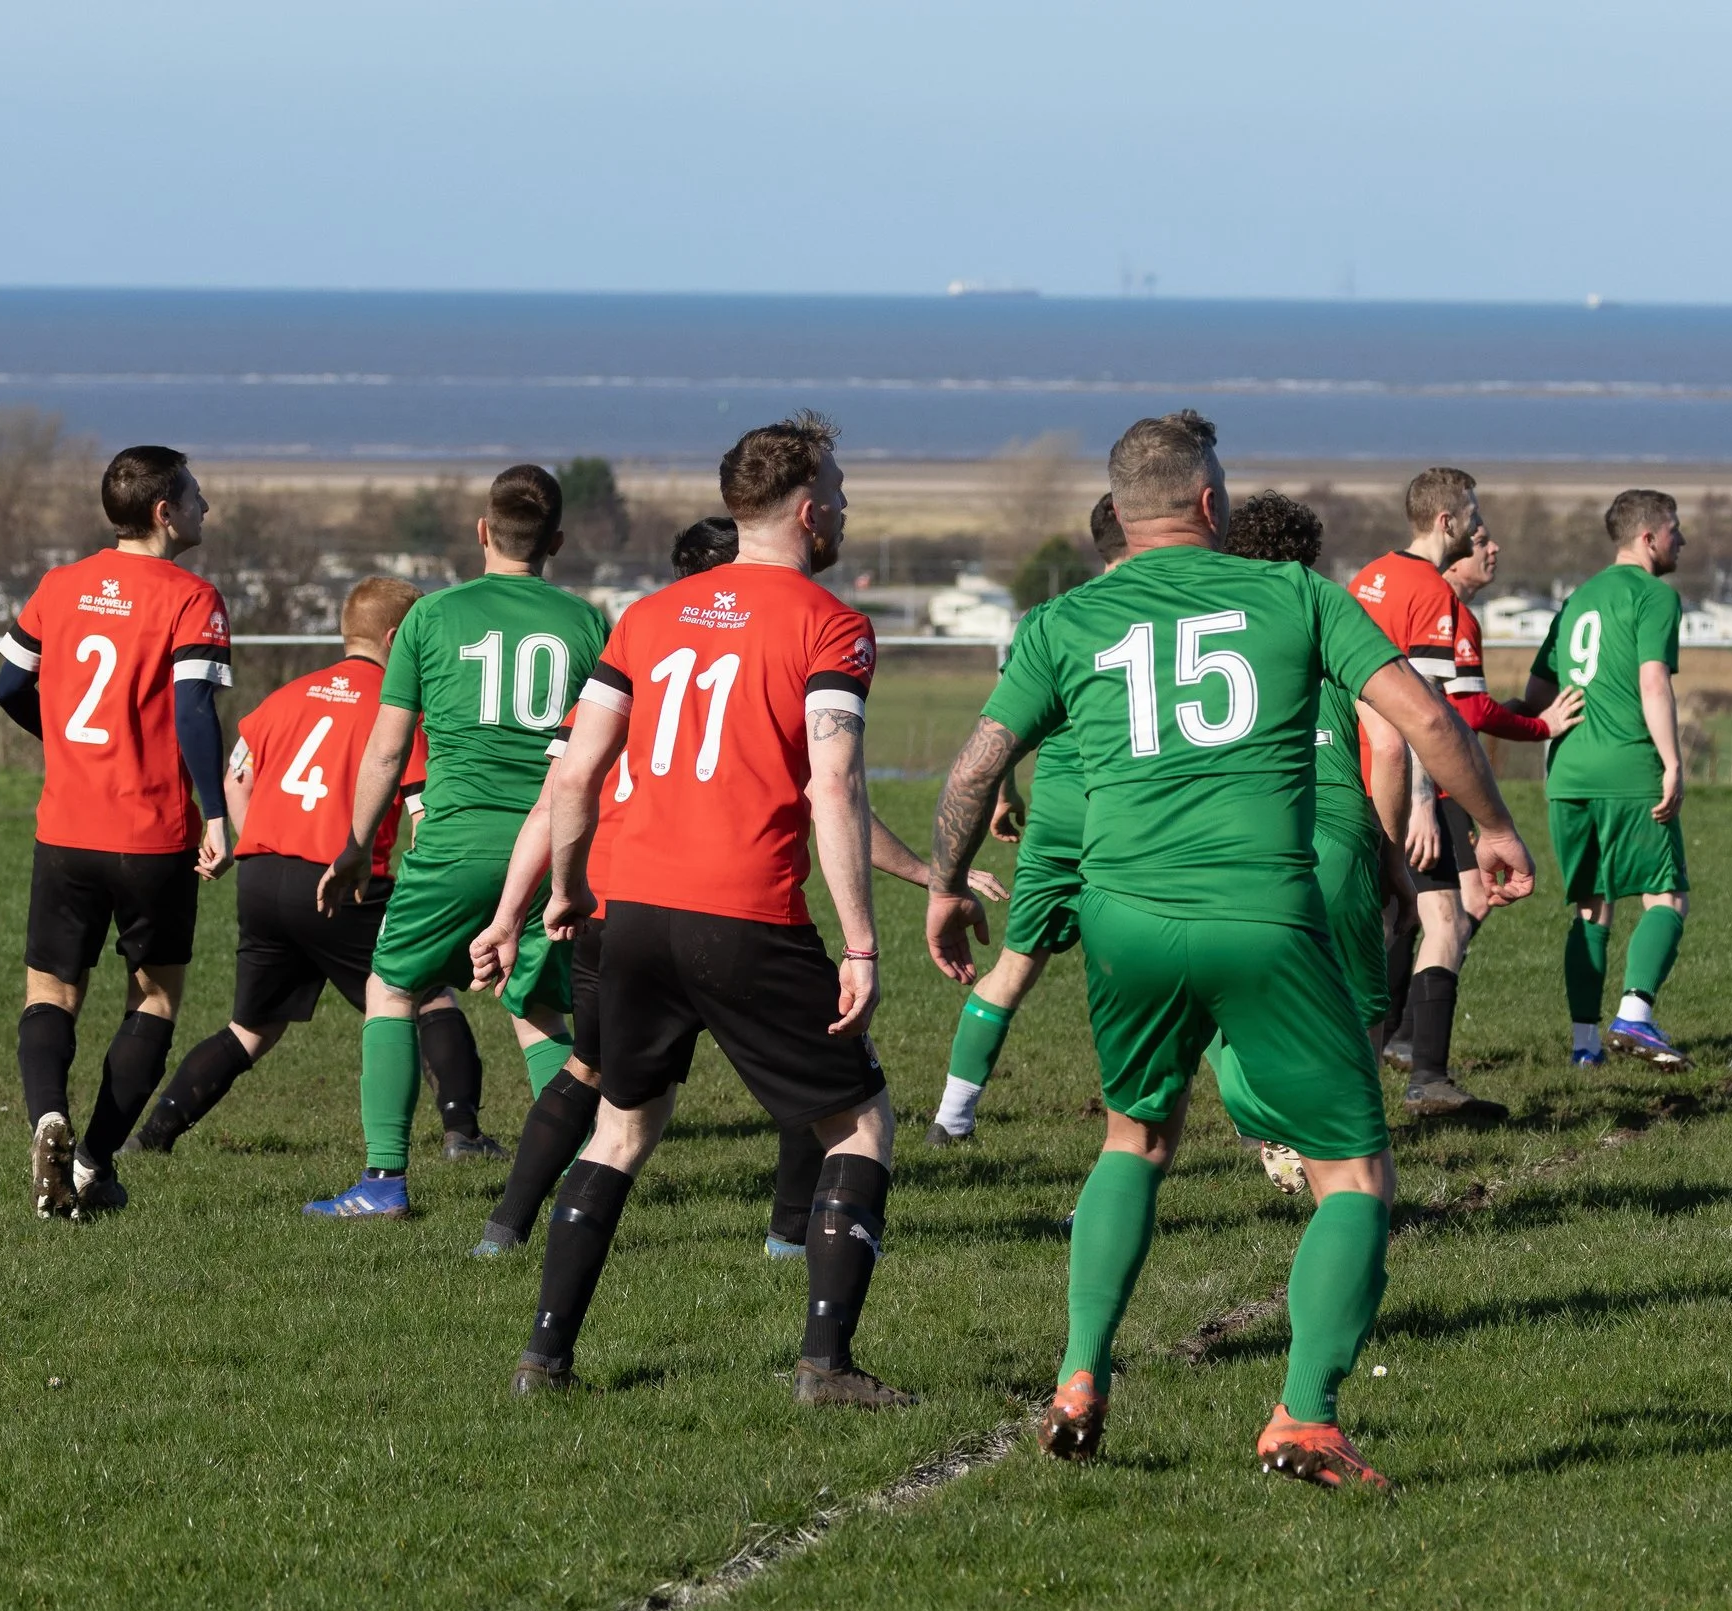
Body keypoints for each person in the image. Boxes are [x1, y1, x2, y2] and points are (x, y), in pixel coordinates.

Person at [925, 411, 1537, 1491]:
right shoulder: (1295, 595)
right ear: (1210, 505)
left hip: (1124, 920)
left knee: (1135, 1140)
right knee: (1353, 1170)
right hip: (1262, 915)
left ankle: (1078, 1377)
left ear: (1116, 515)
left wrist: (941, 886)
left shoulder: (1061, 623)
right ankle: (1304, 1416)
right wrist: (1490, 826)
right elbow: (1429, 724)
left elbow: (976, 770)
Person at [512, 413, 928, 1408]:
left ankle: (545, 1358)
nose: (841, 506)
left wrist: (568, 888)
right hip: (739, 910)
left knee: (622, 1129)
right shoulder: (829, 623)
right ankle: (825, 1366)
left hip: (633, 913)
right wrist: (861, 944)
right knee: (860, 1122)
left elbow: (575, 777)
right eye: (835, 489)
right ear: (801, 505)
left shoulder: (649, 616)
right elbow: (833, 787)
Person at [466, 516, 1001, 1261]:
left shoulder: (636, 653)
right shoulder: (767, 652)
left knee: (596, 1078)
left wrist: (511, 913)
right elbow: (832, 795)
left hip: (614, 911)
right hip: (723, 908)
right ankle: (789, 1242)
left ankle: (507, 1239)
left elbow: (560, 792)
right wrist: (926, 879)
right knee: (820, 1071)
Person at [304, 465, 609, 1219]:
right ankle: (572, 1184)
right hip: (548, 847)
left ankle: (382, 1183)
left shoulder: (430, 618)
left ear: (482, 532)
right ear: (558, 543)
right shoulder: (589, 623)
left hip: (454, 841)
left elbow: (385, 749)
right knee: (534, 1004)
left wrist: (353, 844)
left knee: (392, 987)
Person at [126, 579, 491, 1154]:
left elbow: (235, 778)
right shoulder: (399, 710)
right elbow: (424, 809)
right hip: (340, 883)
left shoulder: (286, 697)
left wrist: (261, 843)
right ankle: (463, 1133)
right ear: (398, 638)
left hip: (264, 878)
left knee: (252, 1027)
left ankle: (151, 1137)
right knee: (427, 994)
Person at [0, 445, 233, 1218]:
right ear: (164, 512)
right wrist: (220, 813)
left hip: (65, 828)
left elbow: (8, 684)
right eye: (196, 495)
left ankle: (48, 1121)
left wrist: (65, 739)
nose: (206, 507)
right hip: (152, 834)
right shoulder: (192, 598)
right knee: (155, 999)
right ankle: (93, 1162)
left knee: (51, 993)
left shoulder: (60, 586)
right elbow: (195, 711)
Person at [1210, 490, 1416, 1195]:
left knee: (1225, 996)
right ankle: (1355, 1170)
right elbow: (1387, 743)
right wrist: (1389, 855)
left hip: (1240, 839)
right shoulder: (1325, 616)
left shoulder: (1210, 632)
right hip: (1337, 834)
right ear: (1310, 558)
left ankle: (1271, 1124)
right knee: (1358, 1010)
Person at [927, 492, 1127, 1145]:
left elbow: (1003, 728)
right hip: (1134, 819)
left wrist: (1007, 792)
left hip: (1060, 820)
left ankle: (951, 1120)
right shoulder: (1174, 616)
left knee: (1014, 966)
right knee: (1173, 978)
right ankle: (1252, 1126)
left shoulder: (1054, 618)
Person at [1519, 489, 1692, 1070]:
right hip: (1627, 771)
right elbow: (1653, 683)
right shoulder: (1655, 596)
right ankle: (1636, 1014)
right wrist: (1671, 761)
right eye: (1675, 529)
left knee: (1591, 909)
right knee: (1665, 895)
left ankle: (1584, 1045)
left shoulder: (1576, 601)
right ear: (1647, 538)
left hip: (1567, 775)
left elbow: (1538, 694)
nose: (1682, 540)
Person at [1347, 469, 1496, 1115]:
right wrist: (1420, 802)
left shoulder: (1367, 577)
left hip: (1348, 778)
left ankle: (1369, 1073)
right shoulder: (1431, 591)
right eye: (1473, 513)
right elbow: (1426, 711)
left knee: (1386, 925)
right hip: (1404, 786)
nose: (1477, 524)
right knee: (1445, 920)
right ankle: (1425, 1075)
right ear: (1447, 521)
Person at [1439, 518, 1583, 934]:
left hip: (1430, 778)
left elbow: (1462, 709)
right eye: (1480, 542)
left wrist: (1514, 711)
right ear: (1451, 560)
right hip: (1443, 781)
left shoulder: (1442, 610)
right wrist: (1541, 727)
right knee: (1464, 907)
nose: (1494, 548)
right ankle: (1415, 997)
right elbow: (1474, 713)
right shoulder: (1455, 617)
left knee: (1424, 909)